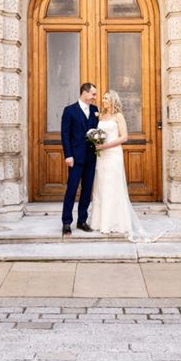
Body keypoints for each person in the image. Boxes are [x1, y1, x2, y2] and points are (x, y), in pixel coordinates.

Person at [90, 90, 159, 242]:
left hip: (113, 154)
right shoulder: (101, 115)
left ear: (113, 101)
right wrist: (96, 142)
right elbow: (97, 133)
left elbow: (124, 137)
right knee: (101, 186)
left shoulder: (118, 116)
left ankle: (116, 221)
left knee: (113, 185)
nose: (103, 100)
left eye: (106, 98)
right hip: (101, 156)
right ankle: (100, 221)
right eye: (103, 98)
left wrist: (106, 145)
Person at [60, 82, 99, 235]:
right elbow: (65, 135)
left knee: (87, 190)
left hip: (91, 157)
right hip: (75, 158)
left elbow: (98, 132)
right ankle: (66, 222)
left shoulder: (95, 110)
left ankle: (82, 220)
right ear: (84, 92)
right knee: (71, 189)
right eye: (93, 94)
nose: (94, 98)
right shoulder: (70, 111)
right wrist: (68, 155)